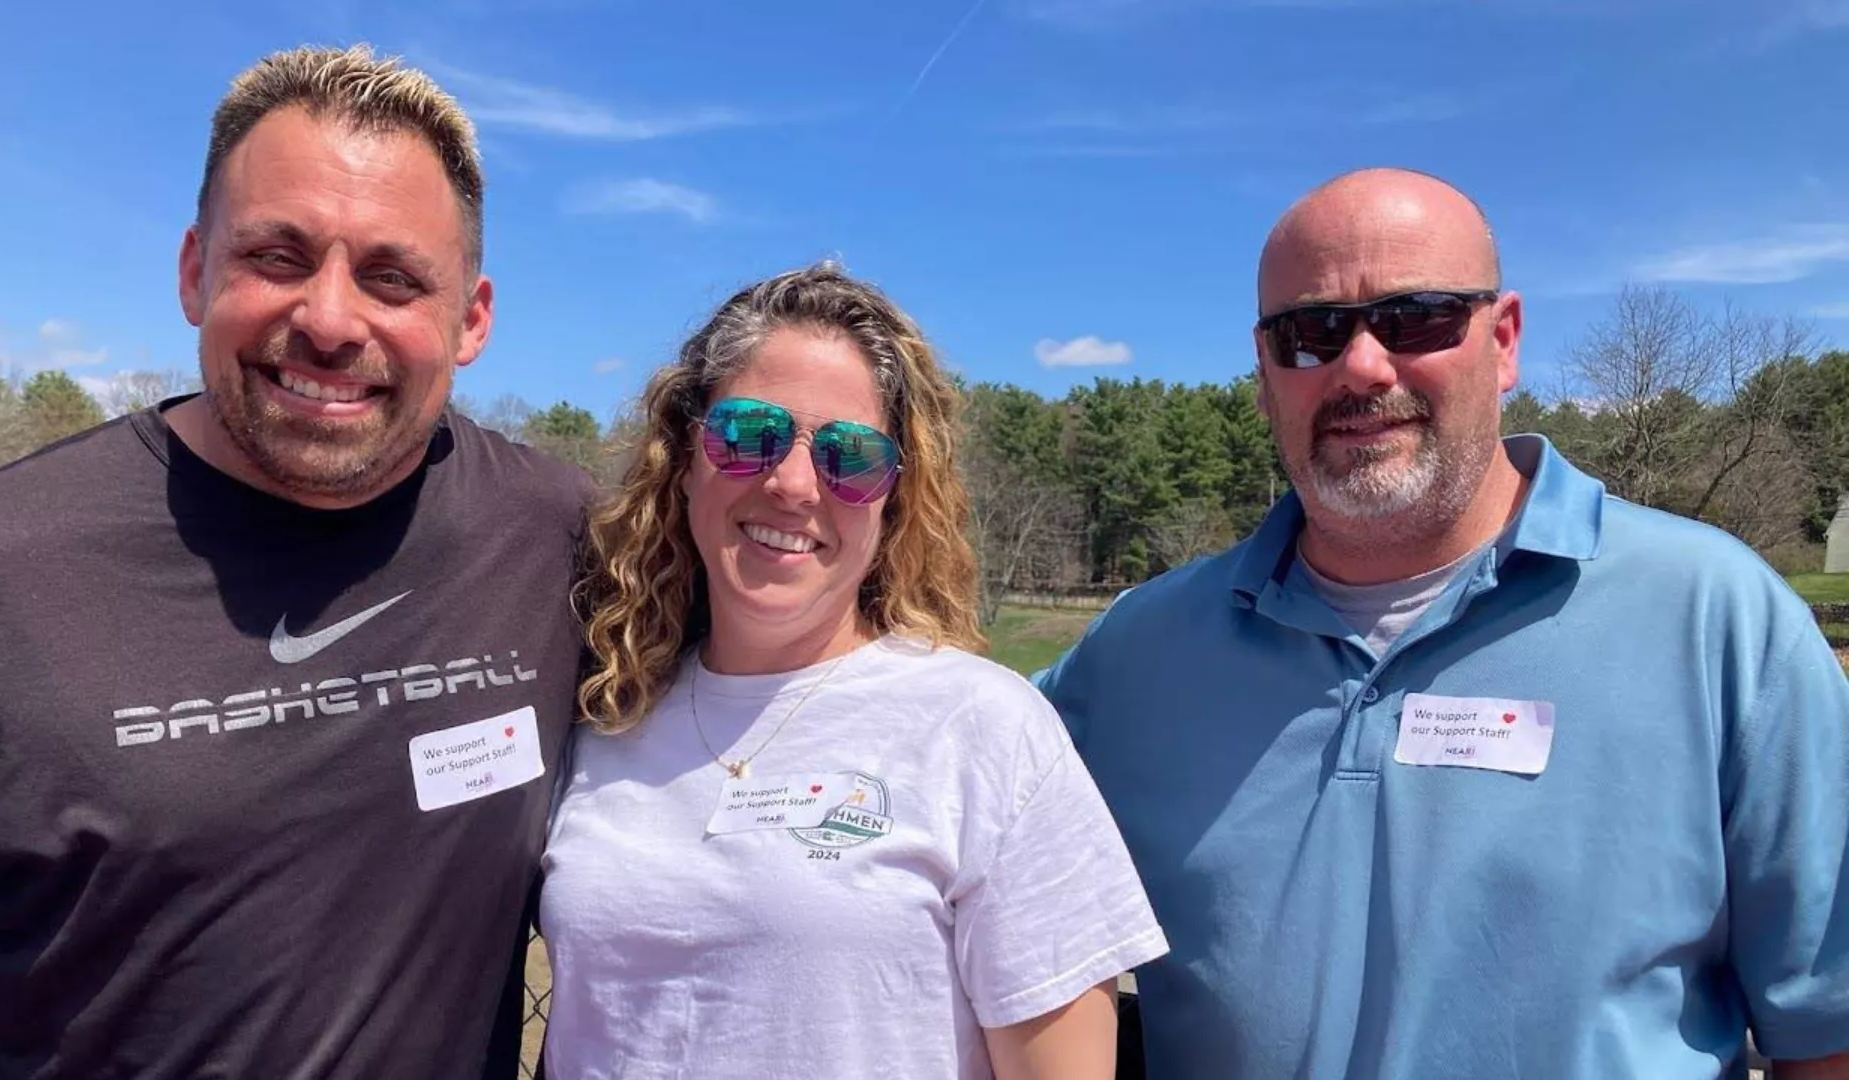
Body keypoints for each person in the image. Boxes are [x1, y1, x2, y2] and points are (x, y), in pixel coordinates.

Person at [1035, 168, 1849, 1079]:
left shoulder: (1715, 620)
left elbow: (1827, 1028)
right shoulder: (1138, 654)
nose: (1362, 367)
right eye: (1311, 333)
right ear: (1265, 370)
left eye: (1417, 317)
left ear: (1502, 341)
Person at [0, 45, 593, 1079]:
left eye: (392, 276)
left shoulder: (566, 540)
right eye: (278, 257)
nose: (328, 320)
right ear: (197, 271)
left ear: (471, 318)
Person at [541, 263, 1168, 1079]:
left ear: (893, 498)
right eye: (749, 434)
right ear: (687, 453)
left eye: (850, 455)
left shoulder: (982, 727)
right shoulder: (609, 713)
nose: (795, 482)